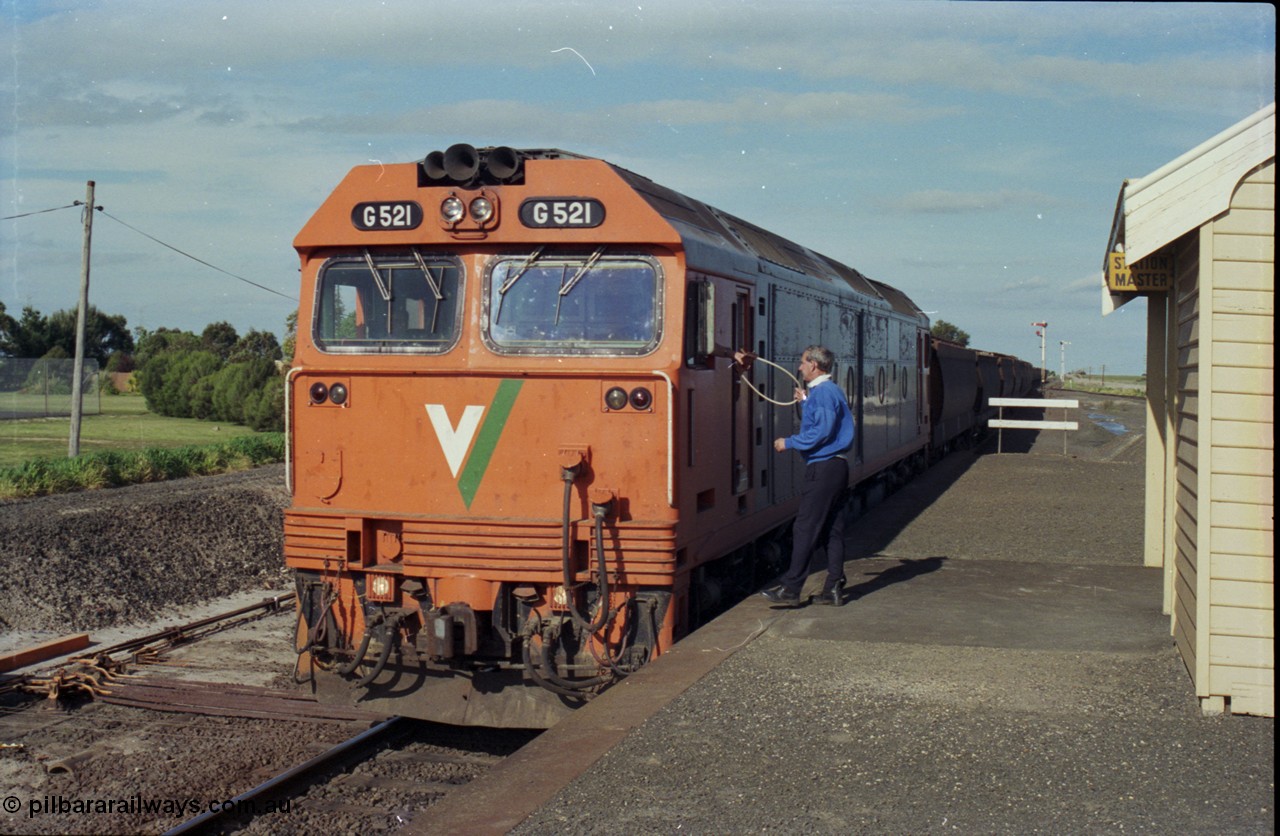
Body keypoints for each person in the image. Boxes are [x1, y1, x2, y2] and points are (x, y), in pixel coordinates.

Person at [760, 345, 855, 607]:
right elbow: (825, 422)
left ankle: (791, 588)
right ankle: (833, 587)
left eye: (802, 363)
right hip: (837, 467)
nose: (800, 367)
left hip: (823, 468)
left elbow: (822, 431)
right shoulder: (828, 391)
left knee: (805, 527)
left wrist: (788, 443)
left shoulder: (823, 393)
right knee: (831, 529)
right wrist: (805, 401)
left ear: (814, 365)